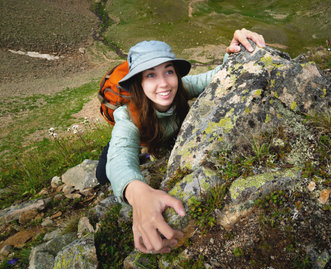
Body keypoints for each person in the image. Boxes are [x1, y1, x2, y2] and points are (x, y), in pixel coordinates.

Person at [96, 29, 265, 254]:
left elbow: (217, 75)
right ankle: (145, 153)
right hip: (140, 140)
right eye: (150, 75)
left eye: (168, 71)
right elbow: (119, 157)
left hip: (163, 141)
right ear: (139, 83)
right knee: (102, 175)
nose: (164, 84)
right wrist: (137, 192)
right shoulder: (127, 117)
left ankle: (151, 152)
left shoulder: (182, 88)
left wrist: (234, 51)